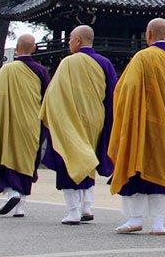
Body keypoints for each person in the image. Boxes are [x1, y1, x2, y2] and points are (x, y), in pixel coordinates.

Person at [108, 18, 165, 236]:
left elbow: (123, 90)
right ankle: (159, 223)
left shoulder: (141, 57)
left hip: (138, 125)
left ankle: (134, 218)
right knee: (162, 168)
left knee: (134, 165)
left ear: (148, 35)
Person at [40, 25, 117, 225]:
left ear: (78, 41)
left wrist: (51, 116)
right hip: (94, 120)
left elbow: (53, 95)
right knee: (88, 158)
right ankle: (87, 207)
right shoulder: (105, 63)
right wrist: (110, 121)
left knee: (70, 159)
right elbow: (112, 96)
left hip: (69, 119)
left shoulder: (67, 63)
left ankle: (73, 210)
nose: (68, 43)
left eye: (70, 39)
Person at [0, 35, 49, 217]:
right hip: (31, 124)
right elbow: (47, 98)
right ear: (34, 49)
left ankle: (11, 193)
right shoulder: (41, 71)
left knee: (7, 156)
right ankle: (20, 205)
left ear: (17, 49)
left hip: (7, 123)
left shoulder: (6, 71)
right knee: (27, 160)